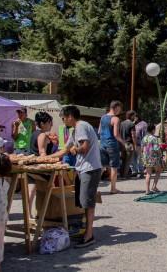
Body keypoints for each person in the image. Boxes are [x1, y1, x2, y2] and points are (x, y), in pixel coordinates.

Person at [62, 105, 102, 248]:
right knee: (83, 202)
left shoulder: (81, 126)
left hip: (90, 169)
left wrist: (75, 150)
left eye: (64, 118)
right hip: (83, 169)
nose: (63, 120)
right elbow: (65, 150)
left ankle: (89, 236)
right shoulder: (75, 130)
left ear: (70, 117)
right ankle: (87, 231)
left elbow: (84, 148)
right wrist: (46, 157)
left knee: (88, 203)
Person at [99, 101, 124, 194]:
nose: (120, 111)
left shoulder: (102, 117)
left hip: (102, 144)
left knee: (101, 167)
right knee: (114, 167)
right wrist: (123, 142)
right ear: (116, 107)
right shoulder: (115, 119)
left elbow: (99, 131)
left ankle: (93, 188)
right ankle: (113, 189)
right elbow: (116, 134)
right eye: (120, 109)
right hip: (112, 145)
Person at [141, 124, 162, 195]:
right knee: (158, 171)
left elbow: (142, 148)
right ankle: (154, 186)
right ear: (153, 130)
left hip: (146, 157)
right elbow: (156, 148)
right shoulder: (154, 138)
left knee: (148, 173)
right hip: (153, 157)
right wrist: (160, 155)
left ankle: (147, 190)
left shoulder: (144, 138)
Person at [120, 110, 138, 178]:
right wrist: (135, 145)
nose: (135, 117)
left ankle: (121, 174)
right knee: (128, 161)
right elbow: (133, 135)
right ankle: (125, 175)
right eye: (134, 115)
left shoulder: (121, 123)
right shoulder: (131, 124)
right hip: (129, 144)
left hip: (122, 143)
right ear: (131, 116)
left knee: (123, 160)